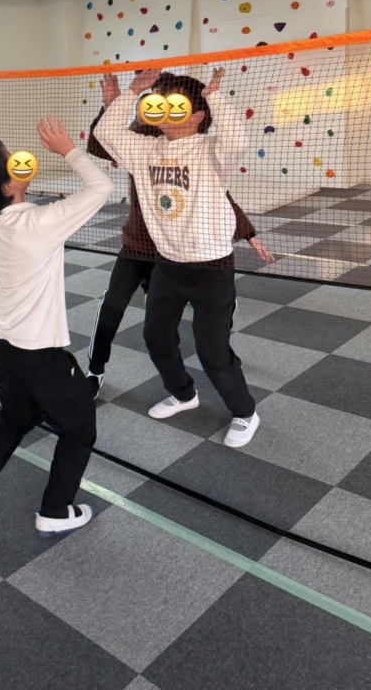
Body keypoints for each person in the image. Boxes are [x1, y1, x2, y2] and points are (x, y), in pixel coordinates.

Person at [0, 116, 114, 536]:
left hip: (0, 347)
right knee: (80, 428)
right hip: (38, 355)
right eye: (12, 161)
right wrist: (68, 150)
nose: (21, 160)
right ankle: (55, 511)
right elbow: (101, 188)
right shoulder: (40, 223)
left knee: (15, 418)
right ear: (8, 185)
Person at [95, 67, 260, 448]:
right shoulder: (144, 150)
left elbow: (237, 139)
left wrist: (215, 96)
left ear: (198, 116)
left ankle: (245, 412)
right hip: (167, 264)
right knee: (155, 337)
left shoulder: (211, 150)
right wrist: (132, 92)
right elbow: (106, 133)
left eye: (176, 106)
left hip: (211, 266)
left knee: (212, 349)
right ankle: (184, 394)